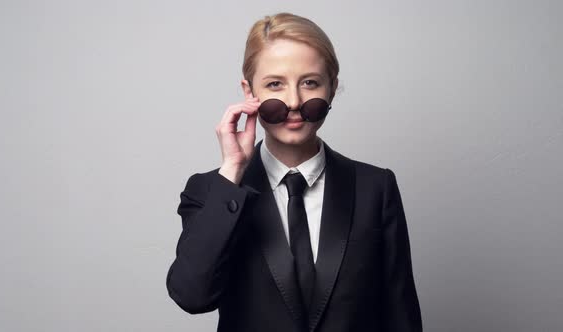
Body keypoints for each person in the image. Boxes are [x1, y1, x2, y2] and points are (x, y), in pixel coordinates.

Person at [166, 12, 422, 332]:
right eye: (275, 84)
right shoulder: (211, 191)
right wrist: (232, 170)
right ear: (250, 93)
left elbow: (401, 314)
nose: (294, 102)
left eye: (310, 82)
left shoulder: (376, 188)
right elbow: (192, 295)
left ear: (331, 88)